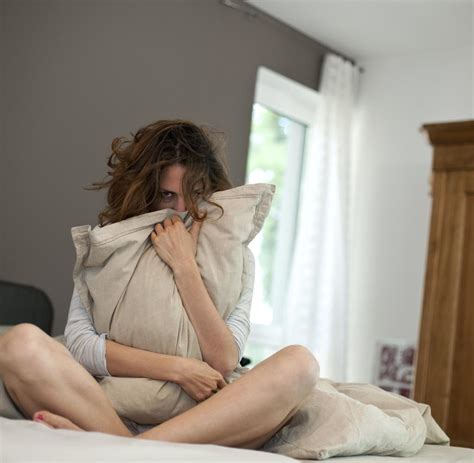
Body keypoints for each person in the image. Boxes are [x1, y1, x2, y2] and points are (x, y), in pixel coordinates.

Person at [0, 119, 319, 449]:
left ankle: (125, 449)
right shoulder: (110, 247)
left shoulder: (234, 258)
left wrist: (185, 267)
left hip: (203, 418)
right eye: (167, 196)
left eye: (194, 194)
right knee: (18, 342)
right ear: (145, 192)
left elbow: (224, 360)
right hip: (109, 409)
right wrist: (179, 370)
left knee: (301, 364)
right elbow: (82, 347)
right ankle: (131, 446)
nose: (180, 211)